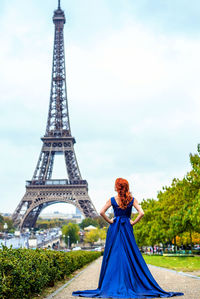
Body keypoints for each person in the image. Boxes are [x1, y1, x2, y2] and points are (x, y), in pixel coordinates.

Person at [72, 178, 184, 298]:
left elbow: (101, 212)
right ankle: (130, 281)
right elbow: (142, 213)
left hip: (115, 228)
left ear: (117, 187)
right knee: (129, 253)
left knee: (114, 254)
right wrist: (132, 222)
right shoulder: (132, 199)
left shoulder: (112, 199)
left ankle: (113, 283)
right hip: (127, 227)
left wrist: (110, 221)